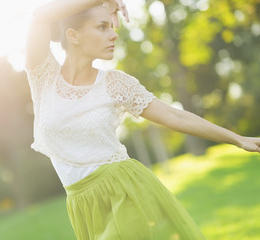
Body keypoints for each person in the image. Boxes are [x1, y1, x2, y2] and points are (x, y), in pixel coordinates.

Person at [25, 0, 260, 239]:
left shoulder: (116, 84)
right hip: (80, 203)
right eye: (102, 27)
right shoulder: (44, 76)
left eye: (111, 27)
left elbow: (174, 116)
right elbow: (40, 15)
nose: (113, 35)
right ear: (73, 35)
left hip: (123, 191)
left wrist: (237, 139)